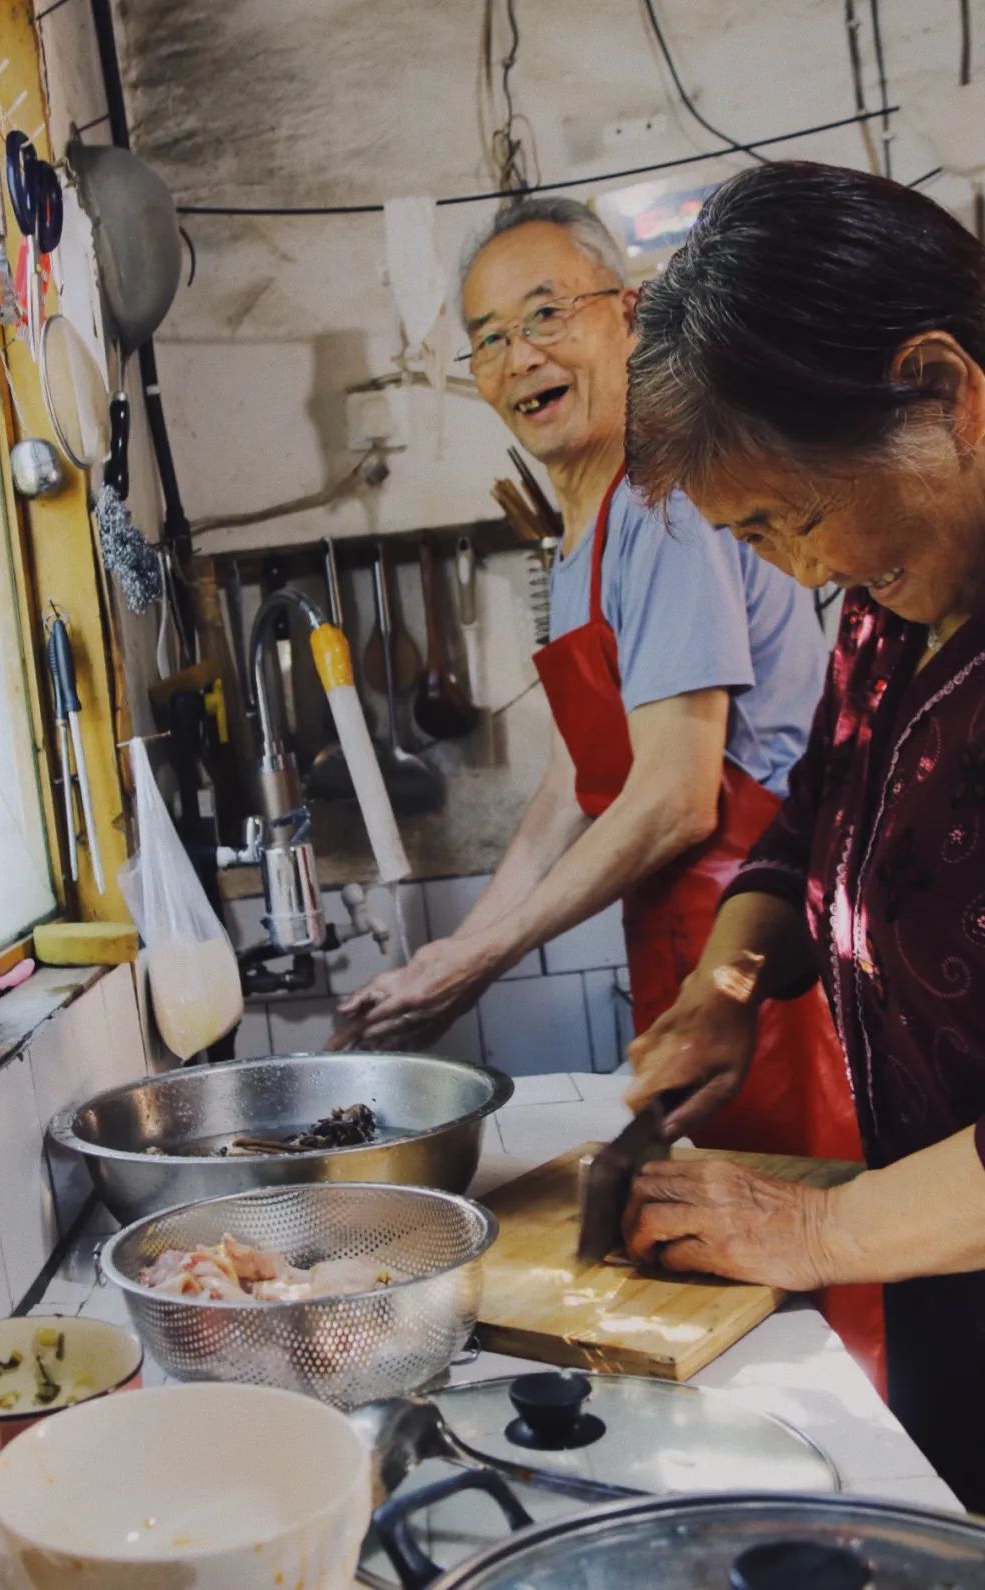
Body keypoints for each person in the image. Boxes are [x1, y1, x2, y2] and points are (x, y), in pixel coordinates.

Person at [333, 199, 878, 1354]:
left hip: (769, 966)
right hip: (689, 947)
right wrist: (463, 946)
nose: (520, 355)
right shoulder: (584, 528)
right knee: (728, 1269)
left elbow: (677, 794)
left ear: (630, 317)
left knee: (807, 1291)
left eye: (548, 315)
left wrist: (478, 958)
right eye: (486, 336)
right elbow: (583, 779)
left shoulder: (663, 504)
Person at [621, 159, 985, 1510]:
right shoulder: (896, 603)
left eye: (794, 515)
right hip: (943, 1253)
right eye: (753, 536)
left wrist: (817, 1225)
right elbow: (817, 816)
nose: (805, 573)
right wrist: (727, 987)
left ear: (939, 390)